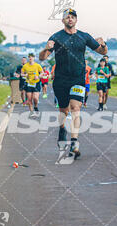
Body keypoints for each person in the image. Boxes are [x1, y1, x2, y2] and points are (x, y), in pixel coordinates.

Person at [39, 8, 107, 158]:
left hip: (78, 78)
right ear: (63, 20)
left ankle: (74, 142)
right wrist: (46, 48)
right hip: (61, 79)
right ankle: (62, 129)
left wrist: (103, 44)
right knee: (64, 111)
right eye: (67, 17)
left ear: (76, 20)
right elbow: (42, 58)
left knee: (76, 107)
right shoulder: (56, 37)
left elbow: (103, 52)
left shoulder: (84, 36)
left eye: (72, 17)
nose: (70, 19)